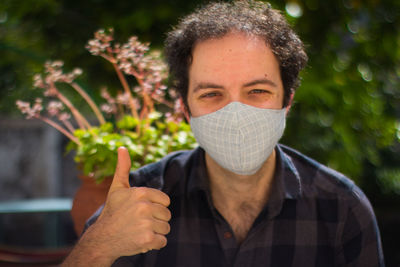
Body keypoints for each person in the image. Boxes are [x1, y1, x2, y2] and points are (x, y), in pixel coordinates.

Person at [62, 1, 384, 266]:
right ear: (186, 110)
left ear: (287, 100)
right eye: (211, 94)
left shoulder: (342, 209)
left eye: (257, 90)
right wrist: (100, 245)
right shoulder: (138, 203)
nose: (236, 113)